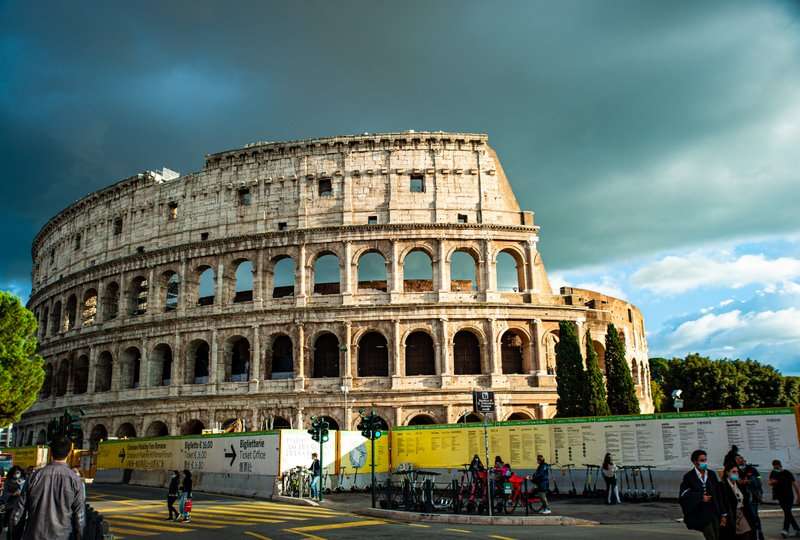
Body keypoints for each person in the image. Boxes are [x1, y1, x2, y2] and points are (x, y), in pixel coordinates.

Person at [11, 436, 85, 540]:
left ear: (51, 452)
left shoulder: (35, 476)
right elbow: (79, 517)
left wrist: (15, 536)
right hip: (63, 536)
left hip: (34, 535)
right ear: (69, 453)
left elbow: (18, 512)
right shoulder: (75, 480)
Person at [679, 449, 726, 540]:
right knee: (710, 535)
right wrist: (700, 497)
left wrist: (723, 513)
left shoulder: (711, 474)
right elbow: (684, 494)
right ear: (695, 462)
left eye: (705, 460)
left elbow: (718, 494)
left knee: (718, 535)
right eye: (702, 460)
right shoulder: (689, 476)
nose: (704, 462)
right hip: (701, 513)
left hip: (714, 511)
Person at [720, 463, 756, 540]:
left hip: (741, 513)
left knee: (747, 533)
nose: (736, 474)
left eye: (737, 472)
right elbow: (721, 502)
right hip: (731, 515)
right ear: (727, 473)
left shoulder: (739, 485)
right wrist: (723, 515)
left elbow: (744, 499)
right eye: (733, 472)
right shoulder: (722, 486)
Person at [768, 459, 800, 538]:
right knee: (788, 512)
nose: (775, 467)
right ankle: (797, 529)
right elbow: (770, 483)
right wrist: (772, 482)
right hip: (780, 497)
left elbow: (795, 484)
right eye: (774, 466)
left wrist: (798, 495)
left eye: (776, 465)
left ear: (779, 465)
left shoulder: (787, 473)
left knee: (787, 512)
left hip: (789, 496)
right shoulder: (773, 472)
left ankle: (785, 530)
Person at [735, 455, 764, 540]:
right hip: (740, 499)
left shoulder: (752, 469)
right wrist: (739, 481)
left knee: (754, 517)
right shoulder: (735, 470)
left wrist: (751, 480)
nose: (740, 460)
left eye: (741, 458)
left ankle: (758, 536)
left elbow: (759, 479)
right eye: (737, 459)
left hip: (752, 497)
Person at [2, 466, 26, 540]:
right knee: (11, 526)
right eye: (15, 473)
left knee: (20, 526)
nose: (16, 474)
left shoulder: (24, 481)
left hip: (21, 506)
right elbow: (4, 494)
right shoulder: (8, 481)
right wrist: (12, 494)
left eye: (18, 472)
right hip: (11, 506)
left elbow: (27, 493)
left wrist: (21, 486)